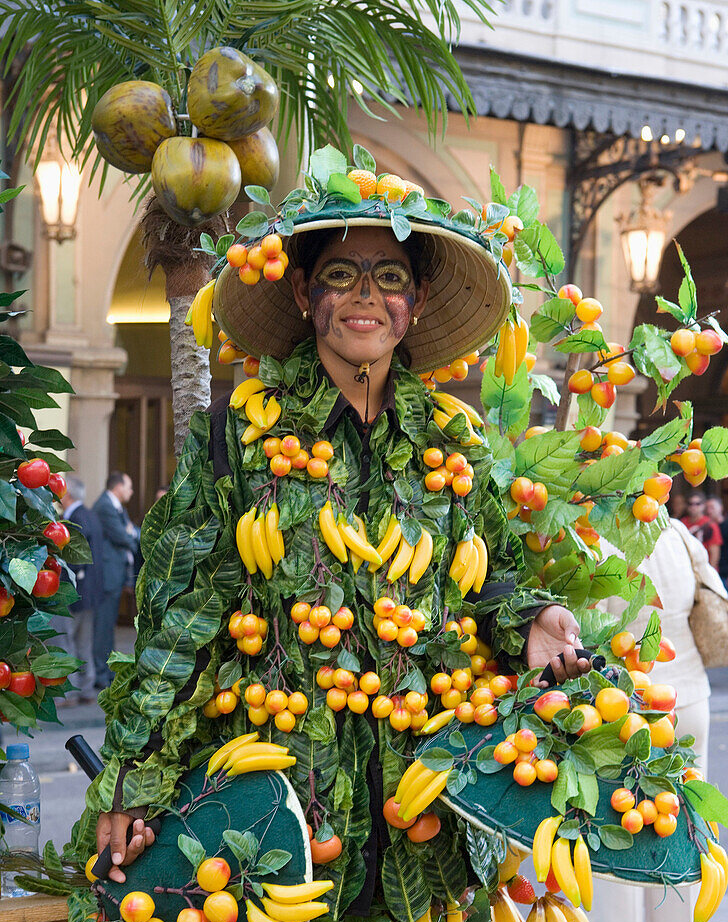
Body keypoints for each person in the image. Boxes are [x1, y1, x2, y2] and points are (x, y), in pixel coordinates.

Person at [92, 217, 588, 876]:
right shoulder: (234, 438)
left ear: (416, 301)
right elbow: (178, 621)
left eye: (389, 278)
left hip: (421, 802)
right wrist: (132, 778)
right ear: (302, 291)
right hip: (268, 794)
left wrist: (528, 621)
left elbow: (486, 579)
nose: (365, 295)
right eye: (339, 275)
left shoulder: (451, 446)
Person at [584, 517, 723, 922]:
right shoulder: (680, 534)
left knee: (618, 836)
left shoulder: (595, 541)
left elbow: (586, 628)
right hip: (689, 700)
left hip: (628, 709)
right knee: (684, 831)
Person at [51, 476, 104, 705]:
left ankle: (70, 692)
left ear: (66, 494)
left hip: (71, 592)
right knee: (83, 643)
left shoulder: (75, 519)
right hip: (88, 593)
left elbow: (74, 560)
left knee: (65, 642)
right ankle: (86, 689)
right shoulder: (90, 515)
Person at [92, 471, 138, 688]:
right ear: (118, 487)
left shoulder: (117, 507)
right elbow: (124, 536)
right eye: (129, 487)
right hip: (107, 577)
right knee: (103, 626)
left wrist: (130, 534)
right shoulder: (105, 506)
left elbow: (130, 534)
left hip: (115, 575)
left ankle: (106, 672)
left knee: (108, 625)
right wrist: (130, 535)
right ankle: (101, 674)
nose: (131, 491)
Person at [682, 491, 722, 568]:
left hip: (704, 568)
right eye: (690, 504)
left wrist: (710, 573)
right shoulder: (682, 523)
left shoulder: (710, 525)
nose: (694, 507)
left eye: (697, 504)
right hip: (687, 568)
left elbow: (715, 553)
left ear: (703, 506)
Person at [706, 497, 728, 597]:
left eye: (712, 507)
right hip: (713, 573)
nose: (709, 511)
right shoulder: (706, 527)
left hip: (726, 573)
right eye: (707, 508)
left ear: (720, 508)